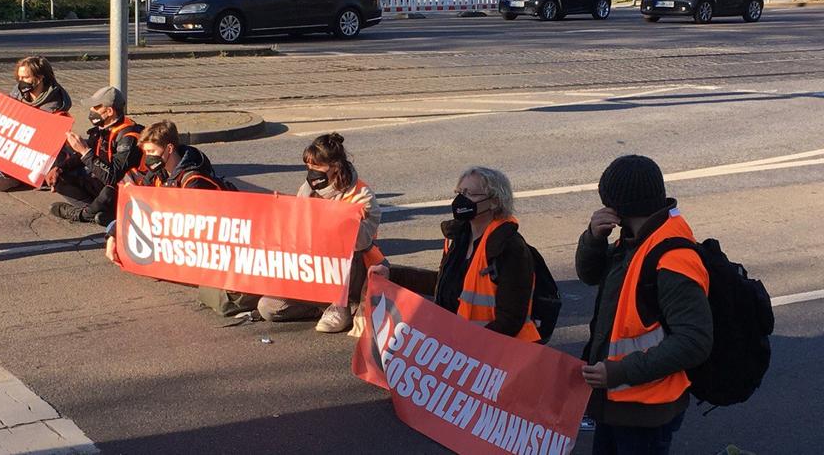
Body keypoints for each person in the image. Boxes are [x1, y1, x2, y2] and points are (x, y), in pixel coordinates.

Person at [576, 155, 712, 455]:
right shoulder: (635, 238)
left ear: (618, 205)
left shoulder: (671, 256)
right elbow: (589, 275)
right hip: (617, 401)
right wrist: (593, 239)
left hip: (646, 409)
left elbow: (694, 342)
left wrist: (619, 372)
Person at [104, 120, 259, 315]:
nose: (148, 158)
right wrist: (113, 233)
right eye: (146, 153)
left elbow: (206, 229)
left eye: (151, 152)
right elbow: (138, 207)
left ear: (169, 148)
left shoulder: (193, 182)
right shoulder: (158, 174)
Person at [370, 167, 539, 341]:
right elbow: (444, 286)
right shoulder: (458, 238)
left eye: (470, 194)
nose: (461, 200)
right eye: (459, 192)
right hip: (461, 348)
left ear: (494, 201)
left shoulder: (509, 247)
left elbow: (511, 319)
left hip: (497, 355)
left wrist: (468, 346)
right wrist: (392, 275)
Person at [256, 133, 387, 333]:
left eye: (317, 167)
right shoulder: (308, 188)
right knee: (268, 308)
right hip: (312, 268)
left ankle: (341, 305)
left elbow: (362, 242)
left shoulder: (362, 194)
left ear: (334, 166)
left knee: (347, 254)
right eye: (309, 167)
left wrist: (345, 220)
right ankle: (322, 306)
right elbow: (298, 226)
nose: (311, 172)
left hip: (350, 269)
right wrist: (284, 206)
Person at [0, 56, 71, 191]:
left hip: (36, 154)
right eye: (19, 78)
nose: (21, 82)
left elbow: (49, 144)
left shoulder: (56, 106)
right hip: (15, 149)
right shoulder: (17, 93)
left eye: (25, 78)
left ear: (40, 78)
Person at [48, 86, 143, 225]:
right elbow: (84, 155)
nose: (91, 111)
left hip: (127, 190)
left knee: (108, 190)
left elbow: (113, 176)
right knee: (59, 179)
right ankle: (99, 213)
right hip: (101, 181)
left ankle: (84, 215)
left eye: (95, 107)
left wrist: (85, 151)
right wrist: (60, 168)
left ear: (109, 111)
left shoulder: (129, 137)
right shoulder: (102, 129)